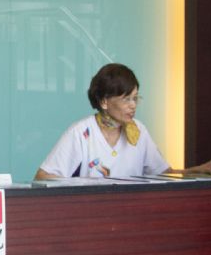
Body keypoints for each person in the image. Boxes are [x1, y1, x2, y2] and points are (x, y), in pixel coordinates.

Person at [35, 63, 171, 180]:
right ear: (104, 102)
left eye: (135, 98)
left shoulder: (139, 131)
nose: (133, 105)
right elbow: (43, 177)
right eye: (126, 99)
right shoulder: (81, 132)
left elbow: (164, 174)